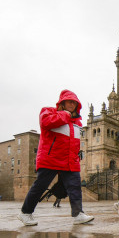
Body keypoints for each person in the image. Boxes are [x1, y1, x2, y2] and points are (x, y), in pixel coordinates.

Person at [17, 90, 93, 226]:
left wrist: (76, 157)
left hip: (70, 160)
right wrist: (64, 115)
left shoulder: (77, 122)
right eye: (70, 101)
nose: (72, 105)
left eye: (75, 103)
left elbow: (74, 142)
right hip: (50, 158)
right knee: (40, 186)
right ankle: (25, 213)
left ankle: (78, 214)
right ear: (62, 102)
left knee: (75, 187)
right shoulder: (48, 111)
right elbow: (46, 123)